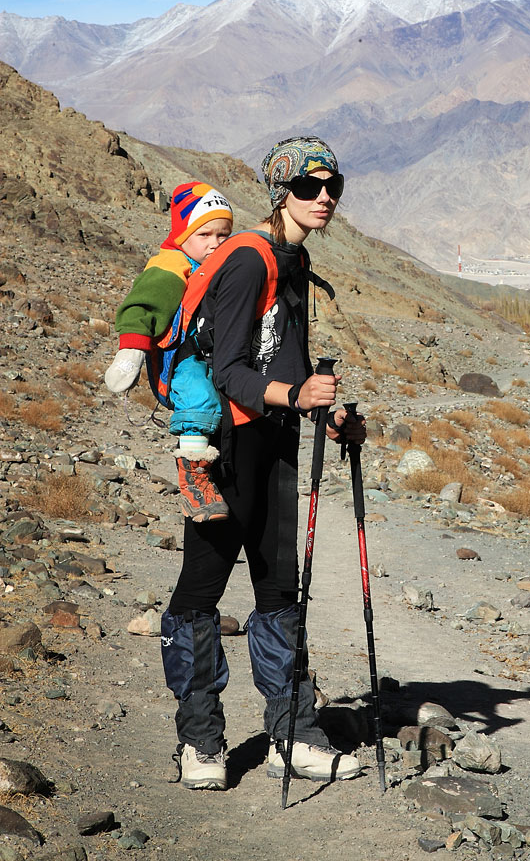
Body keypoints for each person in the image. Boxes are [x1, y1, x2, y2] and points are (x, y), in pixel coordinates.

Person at [160, 136, 366, 792]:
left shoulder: (293, 260)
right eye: (309, 188)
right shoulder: (249, 258)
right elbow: (228, 371)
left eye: (332, 186)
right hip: (226, 448)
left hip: (276, 444)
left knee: (280, 594)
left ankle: (293, 733)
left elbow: (288, 359)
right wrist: (293, 395)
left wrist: (326, 413)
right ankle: (199, 742)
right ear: (282, 193)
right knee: (200, 595)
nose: (324, 197)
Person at [104, 181, 234, 521]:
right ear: (182, 235)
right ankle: (194, 477)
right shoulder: (171, 264)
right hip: (184, 357)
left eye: (223, 234)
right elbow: (143, 305)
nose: (215, 244)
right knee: (198, 396)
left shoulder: (225, 264)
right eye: (204, 234)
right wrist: (130, 352)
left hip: (219, 355)